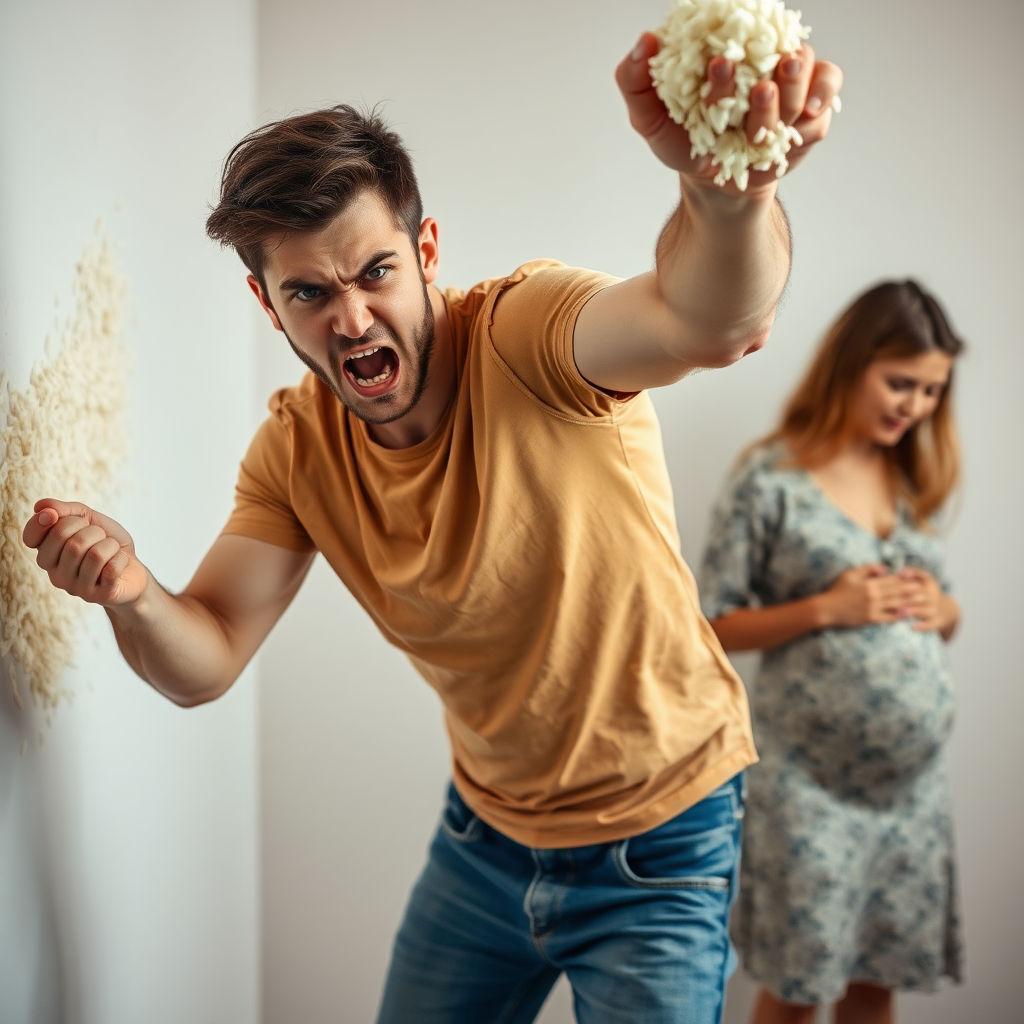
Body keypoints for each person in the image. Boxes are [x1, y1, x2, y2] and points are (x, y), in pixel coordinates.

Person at [23, 30, 841, 1024]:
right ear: (266, 304)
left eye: (374, 273)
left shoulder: (529, 334)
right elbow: (208, 655)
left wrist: (727, 194)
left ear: (427, 253)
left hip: (662, 842)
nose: (353, 319)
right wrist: (133, 593)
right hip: (485, 840)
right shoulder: (297, 450)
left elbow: (701, 318)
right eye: (310, 295)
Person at [699, 281, 966, 1024]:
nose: (913, 404)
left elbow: (940, 612)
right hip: (809, 787)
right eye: (900, 381)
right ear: (852, 361)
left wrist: (947, 610)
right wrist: (827, 608)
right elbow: (709, 624)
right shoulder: (771, 478)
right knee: (797, 986)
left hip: (911, 792)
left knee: (876, 984)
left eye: (932, 391)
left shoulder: (911, 480)